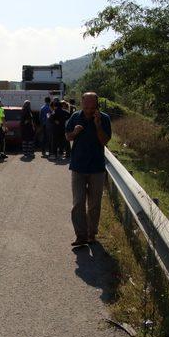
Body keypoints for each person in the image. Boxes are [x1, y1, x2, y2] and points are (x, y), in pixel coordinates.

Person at [65, 92, 112, 247]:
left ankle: (92, 234)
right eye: (86, 107)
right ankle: (81, 235)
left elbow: (104, 141)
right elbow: (68, 137)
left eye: (92, 107)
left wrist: (98, 125)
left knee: (94, 204)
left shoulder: (104, 118)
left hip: (96, 168)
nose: (89, 110)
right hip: (78, 167)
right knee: (78, 203)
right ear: (82, 103)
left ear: (97, 105)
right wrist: (75, 132)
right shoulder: (75, 117)